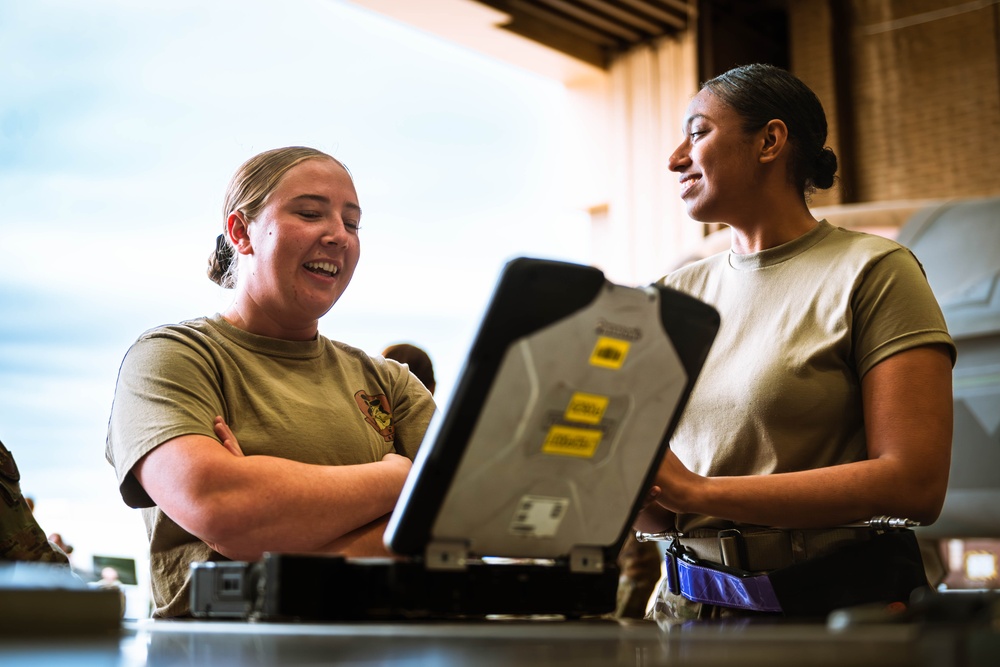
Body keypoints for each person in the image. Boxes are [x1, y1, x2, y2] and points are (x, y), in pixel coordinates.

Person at [634, 64, 956, 623]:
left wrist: (699, 493)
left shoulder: (874, 271)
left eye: (697, 132)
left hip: (832, 612)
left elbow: (914, 484)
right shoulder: (669, 296)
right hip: (687, 611)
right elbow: (662, 511)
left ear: (770, 141)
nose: (674, 159)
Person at [105, 146, 436, 618]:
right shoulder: (173, 358)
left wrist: (276, 557)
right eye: (309, 213)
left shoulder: (390, 383)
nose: (339, 236)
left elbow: (461, 522)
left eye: (353, 223)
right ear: (241, 232)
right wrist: (398, 478)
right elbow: (221, 505)